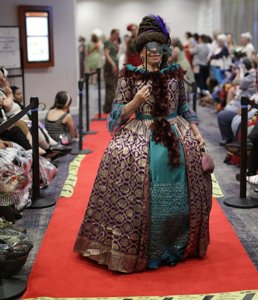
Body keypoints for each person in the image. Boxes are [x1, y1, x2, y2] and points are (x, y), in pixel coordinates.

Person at [74, 14, 212, 273]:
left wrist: (196, 132)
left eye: (159, 49)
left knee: (190, 164)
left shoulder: (174, 76)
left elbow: (183, 106)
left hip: (175, 131)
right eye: (150, 50)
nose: (155, 54)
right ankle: (141, 245)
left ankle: (178, 242)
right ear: (142, 52)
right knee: (120, 154)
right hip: (141, 129)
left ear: (164, 50)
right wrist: (135, 102)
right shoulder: (129, 77)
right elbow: (115, 119)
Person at [103, 29, 120, 113]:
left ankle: (108, 108)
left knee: (113, 87)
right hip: (110, 68)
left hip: (114, 67)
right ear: (112, 34)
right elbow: (106, 54)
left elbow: (114, 55)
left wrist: (117, 48)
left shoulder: (112, 44)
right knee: (111, 88)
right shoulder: (107, 42)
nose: (118, 36)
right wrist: (113, 64)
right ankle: (108, 109)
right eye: (117, 34)